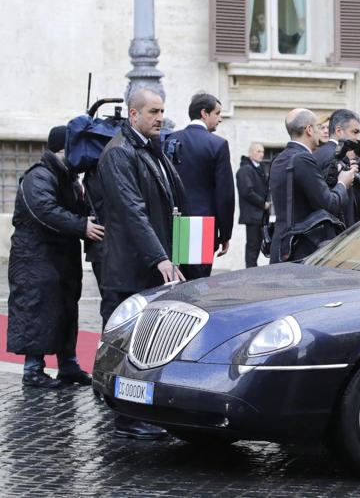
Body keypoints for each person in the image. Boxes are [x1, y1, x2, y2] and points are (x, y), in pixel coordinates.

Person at [98, 87, 186, 440]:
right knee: (127, 346)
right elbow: (133, 212)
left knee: (147, 343)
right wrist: (160, 257)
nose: (160, 117)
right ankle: (126, 417)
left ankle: (142, 412)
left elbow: (170, 205)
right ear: (133, 114)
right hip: (129, 267)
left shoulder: (152, 149)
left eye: (162, 110)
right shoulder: (119, 152)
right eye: (153, 111)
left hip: (148, 263)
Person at [7, 126, 103, 388]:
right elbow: (45, 210)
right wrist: (82, 226)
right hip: (34, 261)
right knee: (36, 309)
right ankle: (33, 370)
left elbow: (76, 210)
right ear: (62, 150)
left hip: (60, 259)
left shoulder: (70, 179)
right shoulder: (38, 176)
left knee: (65, 311)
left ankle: (68, 366)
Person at [269, 108, 355, 263]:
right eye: (318, 127)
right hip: (301, 247)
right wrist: (343, 182)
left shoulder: (279, 158)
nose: (323, 132)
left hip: (281, 245)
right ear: (309, 129)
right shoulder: (303, 159)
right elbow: (330, 203)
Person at [168, 93, 235, 279]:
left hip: (171, 222)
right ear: (204, 113)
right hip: (202, 225)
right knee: (196, 287)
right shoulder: (218, 144)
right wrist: (225, 233)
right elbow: (225, 194)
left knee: (171, 284)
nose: (220, 118)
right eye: (217, 113)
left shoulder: (170, 139)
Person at [236, 143, 270, 268]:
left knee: (257, 246)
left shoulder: (259, 168)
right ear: (250, 153)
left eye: (263, 151)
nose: (261, 154)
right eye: (258, 151)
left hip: (260, 215)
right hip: (252, 215)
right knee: (252, 246)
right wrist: (263, 204)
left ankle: (252, 270)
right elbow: (247, 192)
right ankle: (250, 271)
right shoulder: (246, 169)